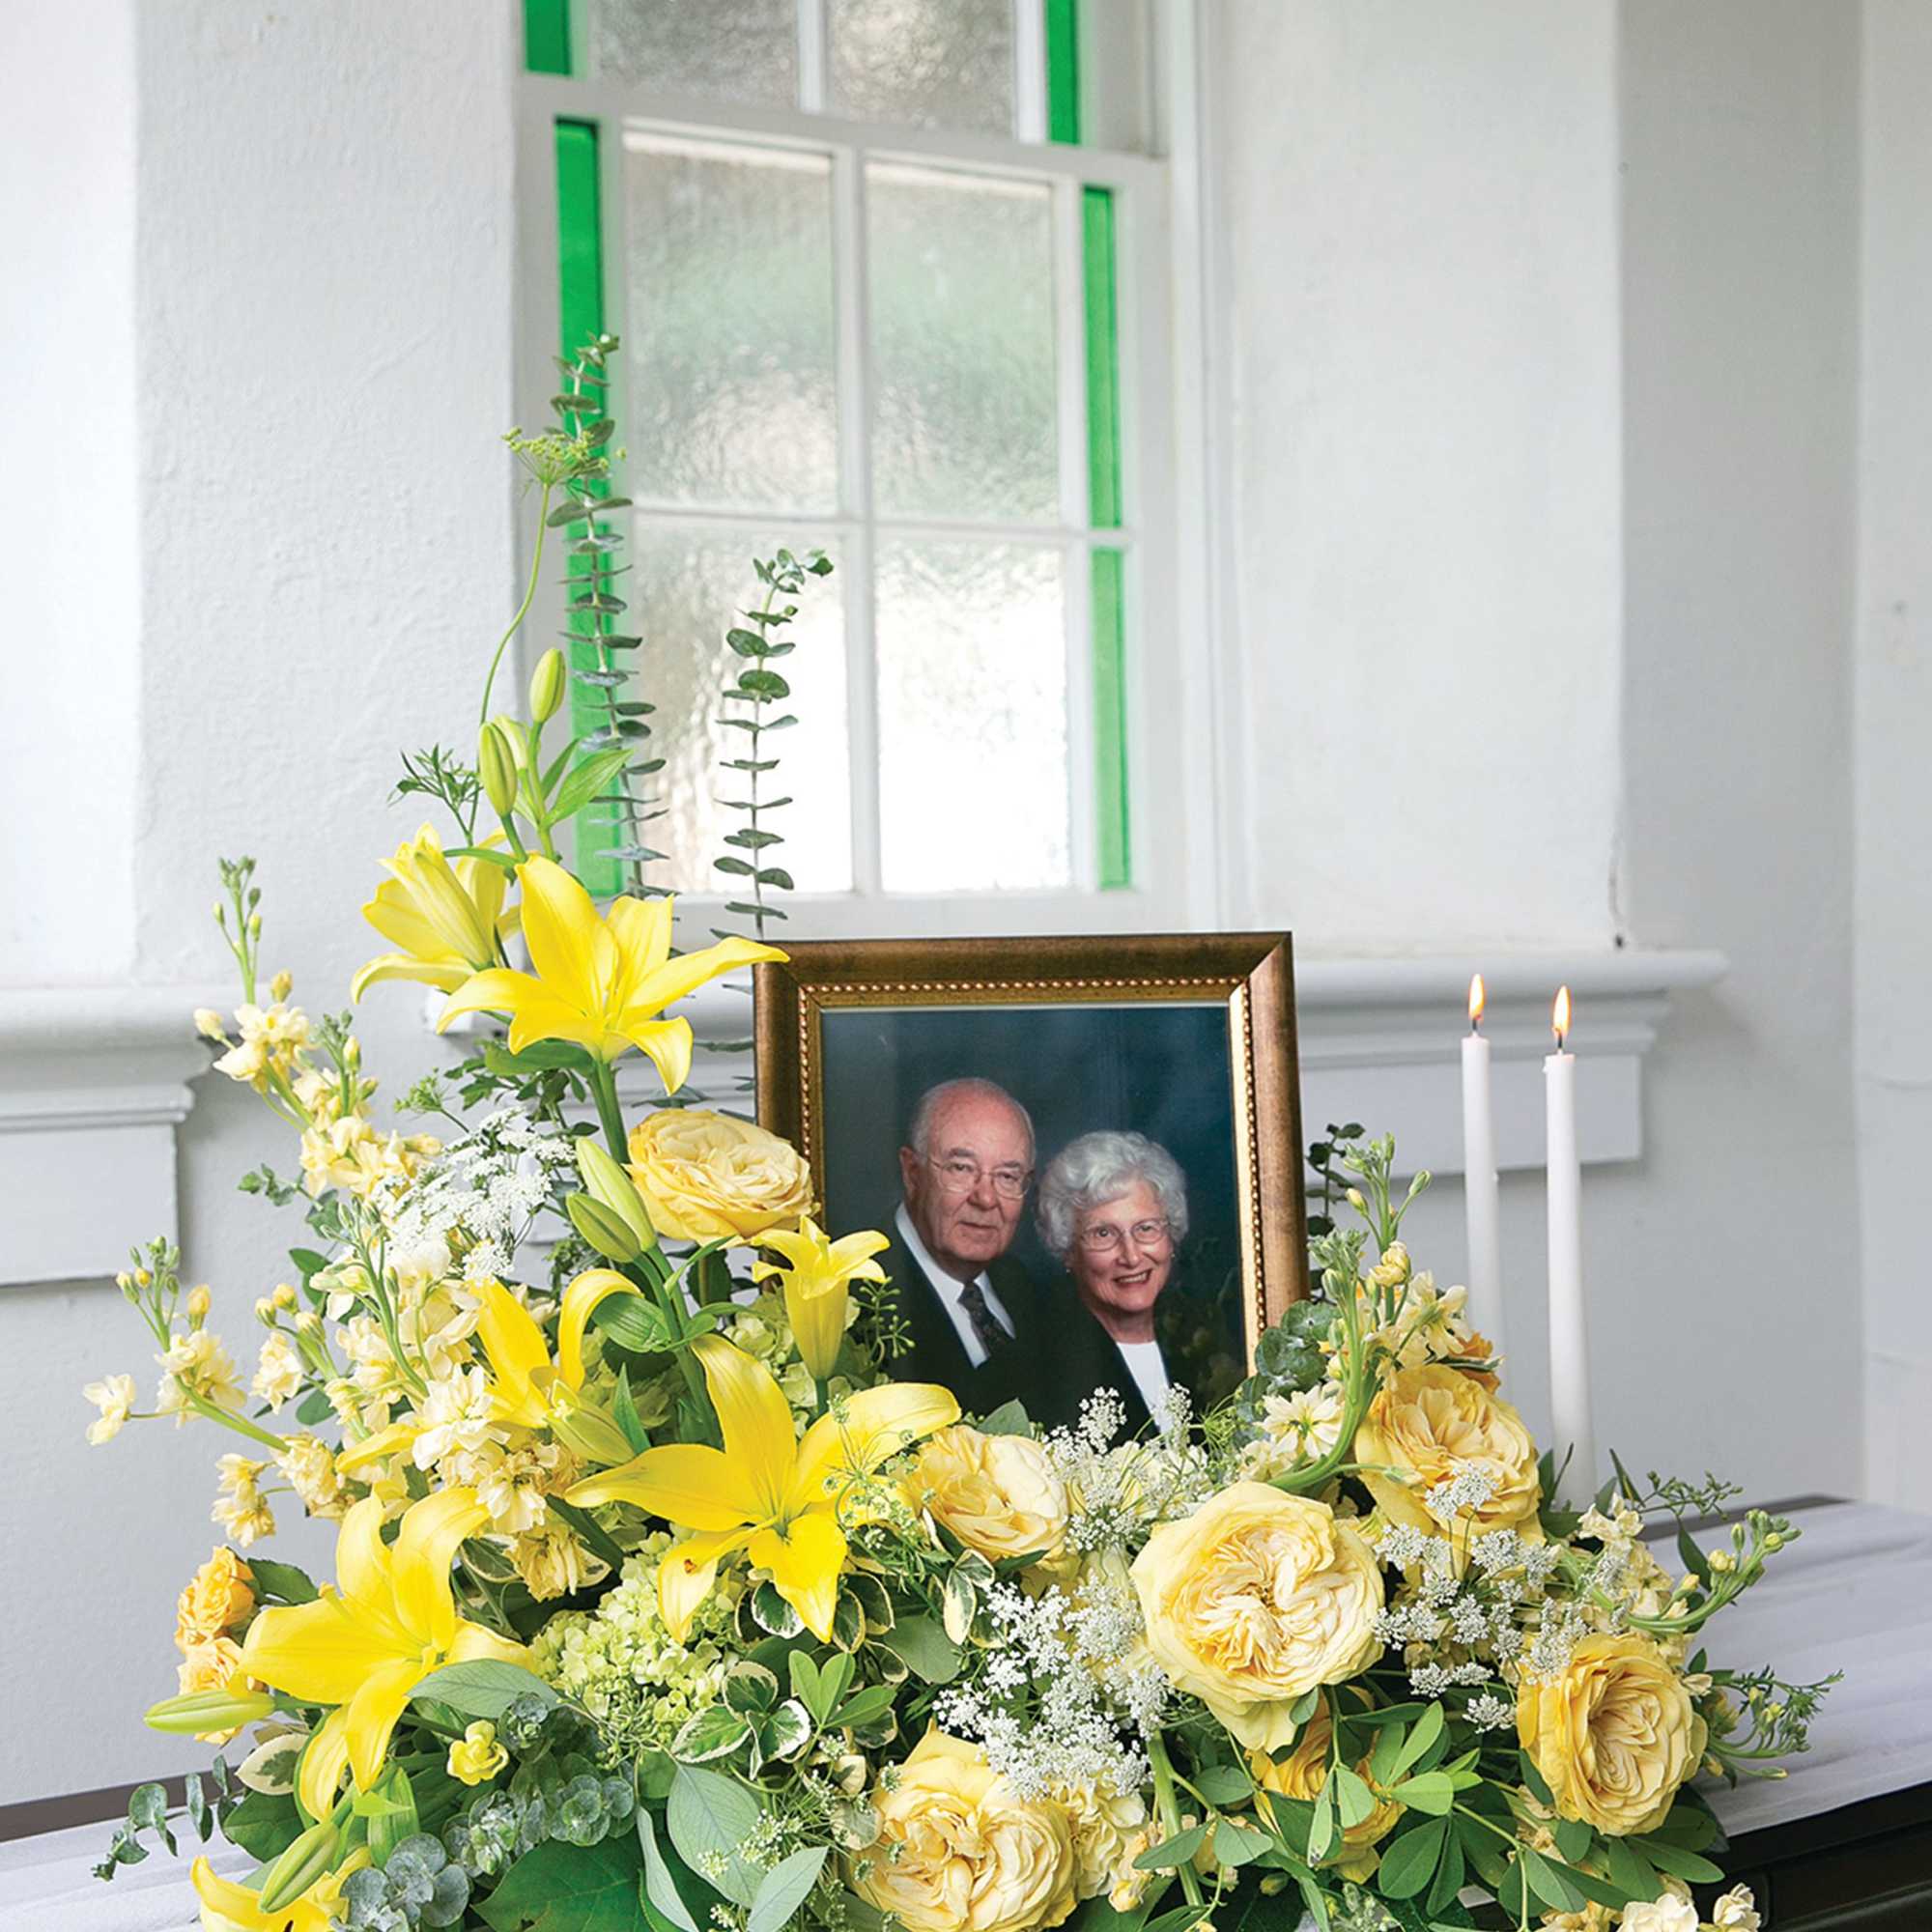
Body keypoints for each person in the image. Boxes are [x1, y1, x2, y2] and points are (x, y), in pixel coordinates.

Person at [883, 1077, 1045, 1416]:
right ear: (912, 1173)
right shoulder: (856, 1301)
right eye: (961, 1168)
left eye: (1007, 1176)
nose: (986, 1198)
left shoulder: (1028, 1289)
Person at [1035, 1130, 1190, 1435]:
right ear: (1068, 1250)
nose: (1131, 1257)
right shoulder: (1041, 1375)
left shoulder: (1204, 1350)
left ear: (1170, 1236)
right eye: (1103, 1234)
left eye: (1146, 1228)